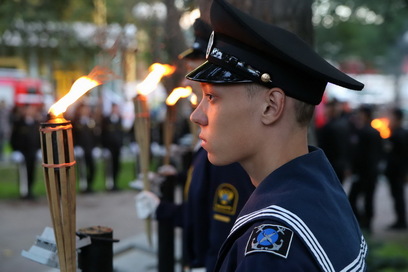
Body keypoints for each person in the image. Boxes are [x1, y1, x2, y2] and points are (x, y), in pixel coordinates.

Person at [186, 0, 367, 270]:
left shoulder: (271, 249)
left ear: (271, 107)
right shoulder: (320, 193)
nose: (196, 116)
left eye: (211, 97)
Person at [136, 18, 254, 272]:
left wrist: (162, 210)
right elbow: (202, 187)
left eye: (195, 62)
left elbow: (218, 219)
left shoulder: (228, 144)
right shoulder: (213, 129)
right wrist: (178, 177)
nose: (188, 71)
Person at [348, 105, 384, 232]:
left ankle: (362, 221)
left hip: (363, 172)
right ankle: (367, 222)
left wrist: (354, 169)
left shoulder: (363, 133)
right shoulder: (375, 132)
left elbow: (360, 154)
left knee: (353, 198)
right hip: (371, 172)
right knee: (369, 197)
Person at [10, 104, 41, 199]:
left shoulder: (36, 123)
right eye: (27, 110)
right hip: (22, 152)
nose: (30, 112)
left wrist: (39, 149)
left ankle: (30, 190)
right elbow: (13, 138)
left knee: (32, 171)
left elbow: (39, 138)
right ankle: (24, 192)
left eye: (32, 109)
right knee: (24, 172)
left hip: (33, 151)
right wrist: (16, 150)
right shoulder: (18, 123)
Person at [317, 99, 352, 183]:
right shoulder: (345, 125)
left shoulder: (327, 127)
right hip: (341, 165)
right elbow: (350, 147)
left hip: (329, 165)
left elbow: (322, 148)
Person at [384, 107, 408, 230]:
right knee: (396, 196)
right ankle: (399, 220)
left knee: (398, 197)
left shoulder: (400, 134)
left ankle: (401, 222)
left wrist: (404, 173)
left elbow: (403, 155)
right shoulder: (396, 132)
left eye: (391, 117)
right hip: (395, 172)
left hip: (398, 172)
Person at [72, 103, 97, 193]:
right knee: (82, 168)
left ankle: (89, 185)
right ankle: (84, 185)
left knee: (92, 167)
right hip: (81, 149)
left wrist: (95, 146)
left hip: (90, 148)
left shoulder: (91, 121)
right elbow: (73, 136)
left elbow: (95, 135)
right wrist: (75, 147)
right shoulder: (75, 122)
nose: (86, 111)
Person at [101, 103, 124, 191]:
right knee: (109, 167)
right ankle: (109, 184)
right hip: (109, 147)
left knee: (117, 165)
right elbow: (103, 134)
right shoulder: (106, 119)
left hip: (117, 147)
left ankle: (115, 183)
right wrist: (104, 147)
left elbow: (121, 134)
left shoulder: (119, 119)